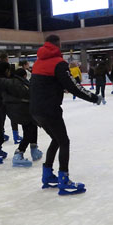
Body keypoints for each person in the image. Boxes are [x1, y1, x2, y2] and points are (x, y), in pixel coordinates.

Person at [30, 35, 101, 195]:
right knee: (64, 142)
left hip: (35, 111)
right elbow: (74, 87)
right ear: (59, 45)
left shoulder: (38, 63)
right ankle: (64, 180)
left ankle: (47, 175)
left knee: (56, 139)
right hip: (49, 110)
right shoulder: (58, 63)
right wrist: (94, 97)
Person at [0, 66, 43, 167]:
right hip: (22, 111)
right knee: (29, 132)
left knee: (32, 127)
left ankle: (34, 149)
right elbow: (26, 94)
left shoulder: (15, 82)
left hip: (23, 111)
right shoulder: (16, 83)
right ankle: (19, 153)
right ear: (24, 76)